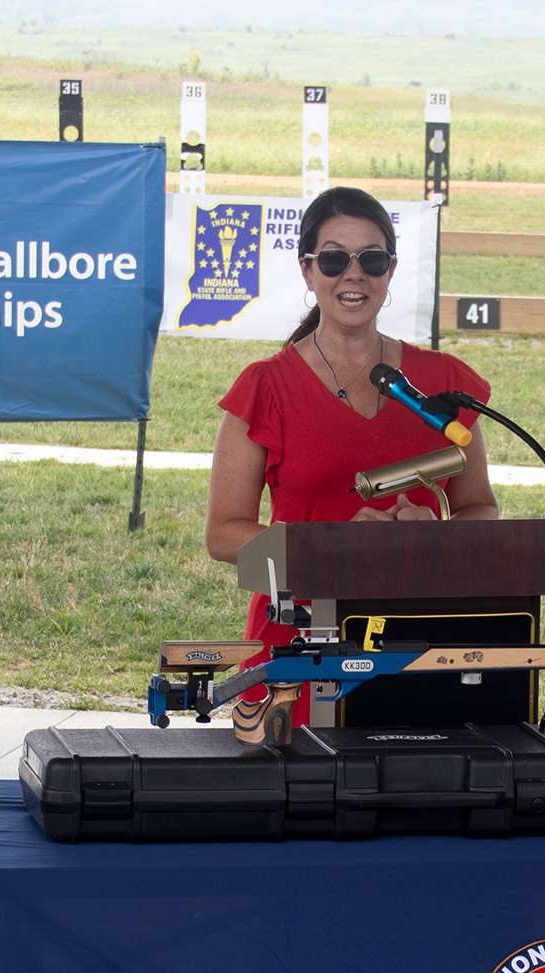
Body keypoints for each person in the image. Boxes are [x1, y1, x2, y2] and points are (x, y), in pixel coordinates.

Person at [206, 186, 498, 733]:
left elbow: (479, 507)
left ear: (390, 271)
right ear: (308, 271)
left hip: (421, 641)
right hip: (297, 649)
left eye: (372, 259)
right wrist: (335, 549)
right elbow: (224, 534)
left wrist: (437, 536)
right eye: (335, 259)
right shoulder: (264, 387)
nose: (353, 274)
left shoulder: (442, 384)